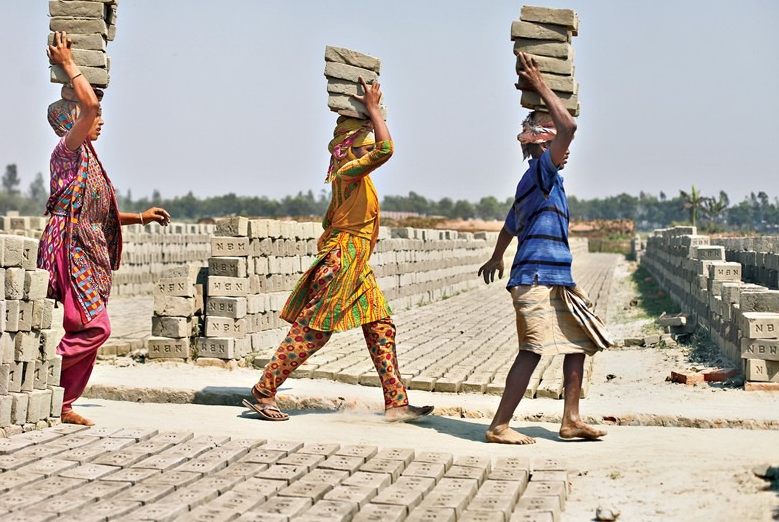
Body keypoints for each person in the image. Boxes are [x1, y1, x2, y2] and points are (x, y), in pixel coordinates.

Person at [244, 76, 433, 422]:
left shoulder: (358, 181)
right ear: (348, 150)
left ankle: (397, 402)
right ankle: (264, 391)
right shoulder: (348, 173)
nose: (369, 150)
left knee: (380, 327)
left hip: (356, 263)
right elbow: (387, 150)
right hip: (344, 260)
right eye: (363, 146)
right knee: (314, 331)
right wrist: (374, 110)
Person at [478, 51, 611, 444]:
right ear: (542, 143)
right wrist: (539, 85)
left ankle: (571, 420)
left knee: (578, 342)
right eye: (556, 142)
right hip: (535, 279)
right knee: (532, 349)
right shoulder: (539, 171)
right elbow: (569, 127)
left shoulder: (539, 183)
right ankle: (498, 425)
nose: (565, 150)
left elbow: (509, 224)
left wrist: (496, 255)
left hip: (559, 279)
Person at [38, 31, 171, 426]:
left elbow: (99, 214)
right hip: (70, 246)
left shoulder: (91, 162)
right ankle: (35, 372)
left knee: (91, 331)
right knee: (95, 327)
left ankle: (62, 403)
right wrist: (67, 64)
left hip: (89, 244)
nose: (99, 120)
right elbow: (91, 104)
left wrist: (141, 218)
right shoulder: (68, 150)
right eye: (90, 117)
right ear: (73, 120)